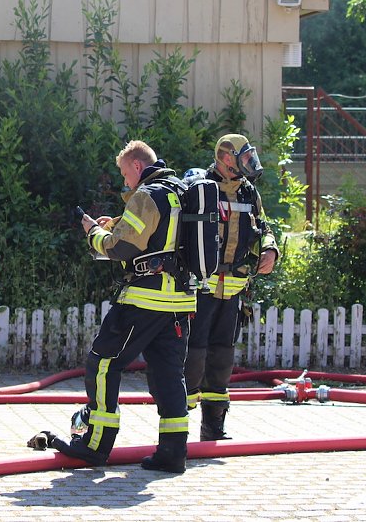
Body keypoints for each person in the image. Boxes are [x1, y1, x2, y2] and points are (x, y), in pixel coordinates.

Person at [50, 140, 193, 473]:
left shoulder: (147, 196)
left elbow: (121, 248)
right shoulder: (181, 194)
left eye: (125, 173)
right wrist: (115, 223)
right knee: (170, 375)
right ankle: (173, 453)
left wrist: (93, 233)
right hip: (180, 302)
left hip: (144, 300)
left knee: (102, 363)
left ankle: (95, 445)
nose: (125, 181)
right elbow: (161, 240)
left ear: (138, 166)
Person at [184, 133, 278, 441]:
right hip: (202, 286)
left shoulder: (249, 193)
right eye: (244, 157)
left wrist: (270, 249)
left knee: (222, 357)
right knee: (194, 355)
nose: (250, 163)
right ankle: (176, 427)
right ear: (227, 158)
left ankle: (213, 426)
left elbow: (263, 226)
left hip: (235, 287)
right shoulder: (201, 188)